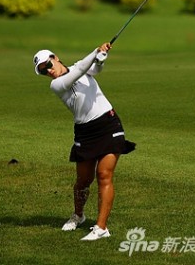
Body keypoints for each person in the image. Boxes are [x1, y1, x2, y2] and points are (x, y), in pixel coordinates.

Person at [33, 42, 136, 241]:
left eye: (48, 65)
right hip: (85, 132)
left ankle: (101, 228)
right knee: (83, 181)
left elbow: (93, 69)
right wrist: (96, 52)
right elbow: (81, 69)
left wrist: (101, 59)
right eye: (43, 71)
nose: (48, 71)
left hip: (108, 125)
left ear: (55, 58)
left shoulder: (80, 66)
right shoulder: (56, 85)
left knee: (104, 174)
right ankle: (78, 215)